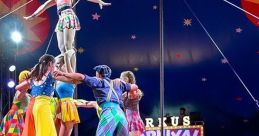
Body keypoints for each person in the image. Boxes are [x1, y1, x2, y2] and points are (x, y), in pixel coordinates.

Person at [24, 0, 111, 73]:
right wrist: (32, 16)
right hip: (61, 19)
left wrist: (99, 1)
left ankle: (72, 71)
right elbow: (43, 6)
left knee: (68, 45)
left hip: (68, 17)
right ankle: (66, 69)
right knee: (62, 48)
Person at [54, 65, 138, 136]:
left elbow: (81, 77)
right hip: (121, 114)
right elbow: (134, 86)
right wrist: (132, 92)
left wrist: (64, 73)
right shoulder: (118, 83)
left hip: (109, 112)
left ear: (99, 73)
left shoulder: (97, 81)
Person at [16, 54, 71, 136]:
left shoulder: (34, 78)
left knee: (41, 131)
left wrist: (28, 80)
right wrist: (64, 74)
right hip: (43, 106)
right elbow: (70, 80)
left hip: (34, 108)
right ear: (50, 64)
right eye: (54, 65)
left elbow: (17, 87)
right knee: (48, 132)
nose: (55, 67)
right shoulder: (51, 75)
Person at [0, 70, 31, 136]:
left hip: (19, 116)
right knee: (13, 134)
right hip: (14, 116)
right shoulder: (20, 91)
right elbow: (19, 97)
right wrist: (27, 85)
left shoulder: (28, 94)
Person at [120, 71, 145, 136]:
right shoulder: (124, 94)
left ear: (129, 79)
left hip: (134, 121)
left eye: (124, 78)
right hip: (127, 121)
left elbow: (134, 87)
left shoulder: (133, 91)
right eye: (121, 78)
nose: (121, 80)